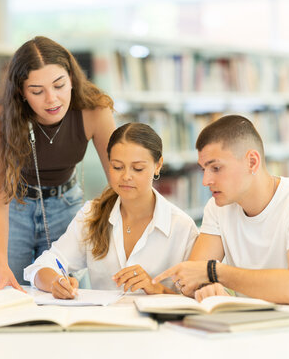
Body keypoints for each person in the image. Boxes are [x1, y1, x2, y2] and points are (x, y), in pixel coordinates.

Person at [153, 115, 289, 304]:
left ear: (252, 162)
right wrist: (206, 287)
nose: (206, 180)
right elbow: (192, 278)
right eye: (203, 169)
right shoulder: (217, 208)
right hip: (266, 328)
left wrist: (214, 272)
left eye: (216, 168)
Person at [0, 36, 116, 291]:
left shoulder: (95, 110)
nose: (52, 99)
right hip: (12, 208)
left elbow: (119, 182)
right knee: (5, 292)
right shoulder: (2, 118)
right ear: (21, 92)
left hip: (65, 206)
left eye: (59, 85)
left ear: (72, 78)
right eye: (37, 91)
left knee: (65, 292)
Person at [23, 123, 199, 298]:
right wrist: (56, 282)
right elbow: (43, 265)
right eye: (117, 167)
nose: (126, 176)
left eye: (137, 168)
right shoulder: (92, 214)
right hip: (103, 323)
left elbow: (196, 298)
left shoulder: (182, 227)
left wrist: (158, 290)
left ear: (158, 165)